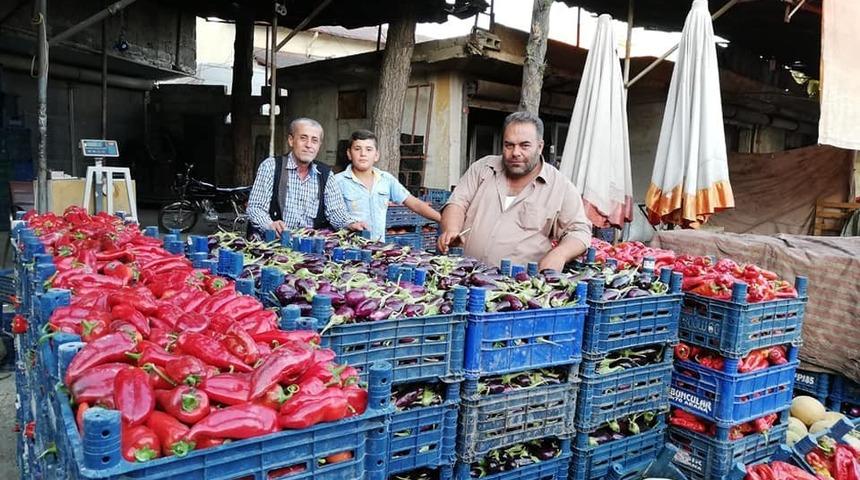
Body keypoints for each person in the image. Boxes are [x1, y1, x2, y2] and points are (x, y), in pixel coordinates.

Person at [437, 111, 592, 271]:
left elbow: (579, 231)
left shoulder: (560, 187)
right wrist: (452, 229)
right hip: (465, 274)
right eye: (509, 145)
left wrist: (560, 254)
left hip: (518, 283)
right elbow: (457, 203)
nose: (515, 152)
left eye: (524, 145)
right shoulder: (482, 169)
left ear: (540, 147)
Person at [246, 118, 366, 238]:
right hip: (274, 243)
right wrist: (269, 225)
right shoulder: (271, 167)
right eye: (303, 138)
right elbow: (256, 208)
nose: (309, 145)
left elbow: (336, 212)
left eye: (314, 140)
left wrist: (350, 223)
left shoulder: (325, 174)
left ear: (319, 146)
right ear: (291, 140)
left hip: (310, 244)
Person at [334, 129, 441, 242]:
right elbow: (333, 215)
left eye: (369, 149)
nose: (363, 154)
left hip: (378, 246)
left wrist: (442, 220)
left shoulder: (386, 180)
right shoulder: (338, 181)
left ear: (376, 155)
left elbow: (415, 204)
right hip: (348, 248)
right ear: (349, 154)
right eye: (357, 149)